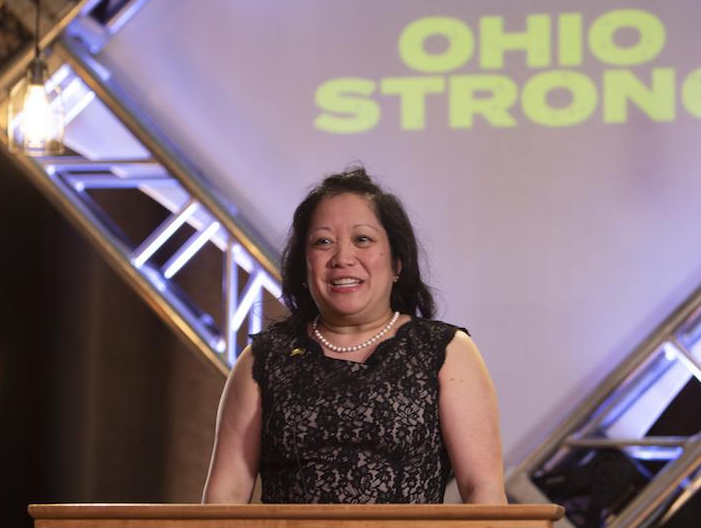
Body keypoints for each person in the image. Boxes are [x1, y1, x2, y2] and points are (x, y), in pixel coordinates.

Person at [201, 167, 506, 504]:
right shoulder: (265, 358)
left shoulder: (446, 352)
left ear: (397, 263)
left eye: (362, 239)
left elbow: (483, 490)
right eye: (323, 242)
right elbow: (224, 497)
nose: (342, 258)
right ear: (304, 266)